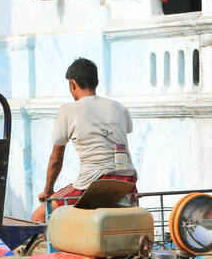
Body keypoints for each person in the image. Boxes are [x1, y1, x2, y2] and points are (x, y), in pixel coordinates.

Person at [32, 57, 138, 223]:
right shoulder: (120, 108)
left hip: (93, 184)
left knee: (38, 217)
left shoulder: (68, 110)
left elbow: (56, 158)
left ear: (72, 84)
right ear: (96, 82)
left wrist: (48, 190)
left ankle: (65, 248)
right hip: (128, 181)